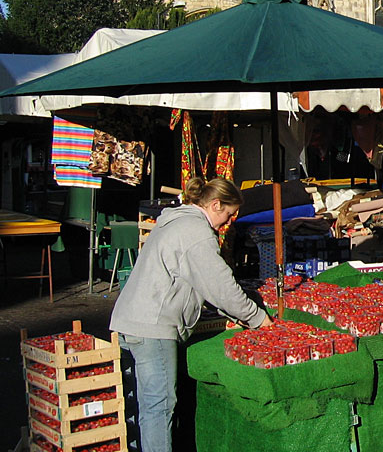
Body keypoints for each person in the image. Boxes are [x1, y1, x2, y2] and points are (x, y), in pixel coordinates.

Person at [110, 177, 271, 452]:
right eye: (229, 214)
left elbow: (197, 282)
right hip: (153, 326)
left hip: (130, 320)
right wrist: (258, 319)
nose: (229, 222)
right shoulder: (196, 231)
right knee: (159, 406)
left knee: (144, 404)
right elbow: (220, 286)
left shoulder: (175, 221)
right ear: (216, 204)